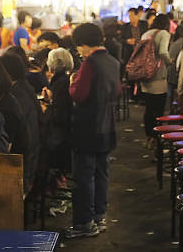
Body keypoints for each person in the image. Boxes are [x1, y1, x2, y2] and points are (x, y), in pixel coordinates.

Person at [65, 23, 121, 239]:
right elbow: (116, 91)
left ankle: (84, 223)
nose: (78, 51)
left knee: (84, 177)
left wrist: (72, 83)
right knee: (101, 173)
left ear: (82, 44)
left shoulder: (90, 63)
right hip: (107, 127)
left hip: (88, 128)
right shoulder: (112, 62)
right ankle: (99, 216)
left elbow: (79, 94)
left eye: (78, 46)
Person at [0, 51, 42, 191]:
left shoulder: (14, 99)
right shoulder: (24, 88)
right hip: (32, 162)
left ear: (6, 72)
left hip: (23, 172)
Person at [140, 14, 171, 148]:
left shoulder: (146, 33)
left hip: (145, 74)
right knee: (159, 109)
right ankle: (157, 138)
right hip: (158, 76)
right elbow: (163, 52)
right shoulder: (164, 33)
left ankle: (149, 137)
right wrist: (170, 62)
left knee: (149, 107)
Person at [43, 48, 74, 172]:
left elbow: (60, 115)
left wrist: (46, 107)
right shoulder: (65, 80)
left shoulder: (60, 84)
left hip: (61, 139)